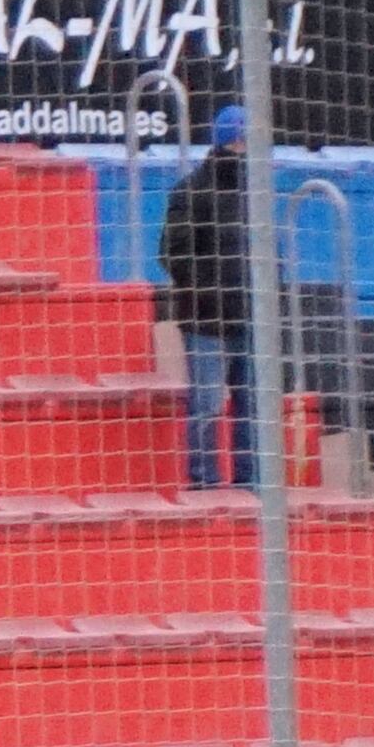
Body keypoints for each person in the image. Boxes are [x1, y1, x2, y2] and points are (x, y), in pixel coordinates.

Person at [154, 101, 259, 491]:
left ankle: (252, 480)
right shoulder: (192, 190)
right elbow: (171, 252)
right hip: (207, 317)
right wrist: (211, 290)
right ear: (232, 141)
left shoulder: (255, 192)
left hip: (250, 316)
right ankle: (205, 481)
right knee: (208, 405)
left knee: (253, 405)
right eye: (245, 140)